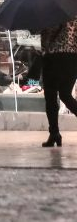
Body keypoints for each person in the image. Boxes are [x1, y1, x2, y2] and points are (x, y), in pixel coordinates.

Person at [39, 15, 77, 147]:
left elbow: (42, 34)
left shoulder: (48, 14)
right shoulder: (73, 12)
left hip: (52, 57)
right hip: (71, 58)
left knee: (50, 96)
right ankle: (54, 134)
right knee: (65, 95)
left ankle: (54, 134)